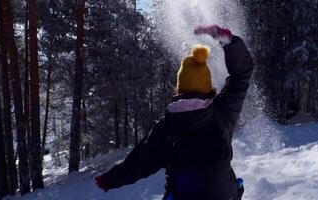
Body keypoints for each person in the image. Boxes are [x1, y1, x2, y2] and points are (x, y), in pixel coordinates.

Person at [95, 25, 254, 200]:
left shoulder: (167, 127)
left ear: (179, 88)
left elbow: (139, 164)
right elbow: (241, 74)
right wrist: (229, 42)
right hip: (225, 196)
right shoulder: (222, 111)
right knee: (233, 186)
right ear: (208, 87)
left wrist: (107, 180)